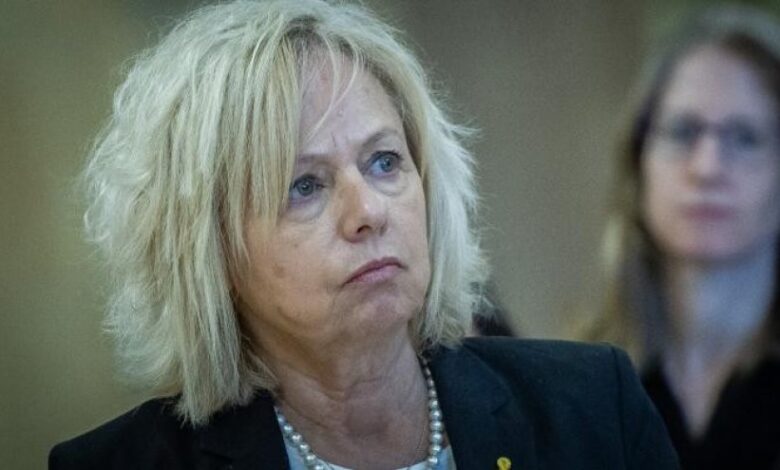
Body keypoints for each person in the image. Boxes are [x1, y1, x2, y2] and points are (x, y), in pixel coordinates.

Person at [49, 1, 678, 468]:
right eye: (304, 186)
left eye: (384, 161)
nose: (368, 211)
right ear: (208, 252)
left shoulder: (592, 405)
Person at [580, 5, 780, 469]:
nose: (707, 168)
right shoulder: (581, 384)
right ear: (638, 162)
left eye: (744, 137)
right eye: (683, 131)